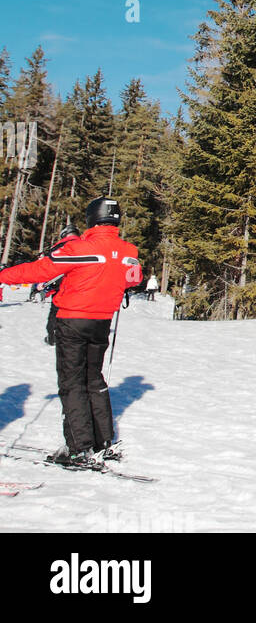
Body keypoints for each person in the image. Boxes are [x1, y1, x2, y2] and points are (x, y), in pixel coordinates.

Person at [0, 197, 141, 469]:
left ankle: (78, 448)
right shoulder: (128, 250)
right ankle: (103, 442)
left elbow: (40, 270)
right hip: (102, 322)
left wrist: (4, 275)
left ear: (92, 218)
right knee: (94, 381)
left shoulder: (80, 248)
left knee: (72, 383)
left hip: (73, 320)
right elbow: (133, 278)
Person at [42, 221, 80, 347]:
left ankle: (53, 336)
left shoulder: (58, 248)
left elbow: (49, 266)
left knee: (56, 311)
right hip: (77, 285)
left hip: (60, 284)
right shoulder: (84, 246)